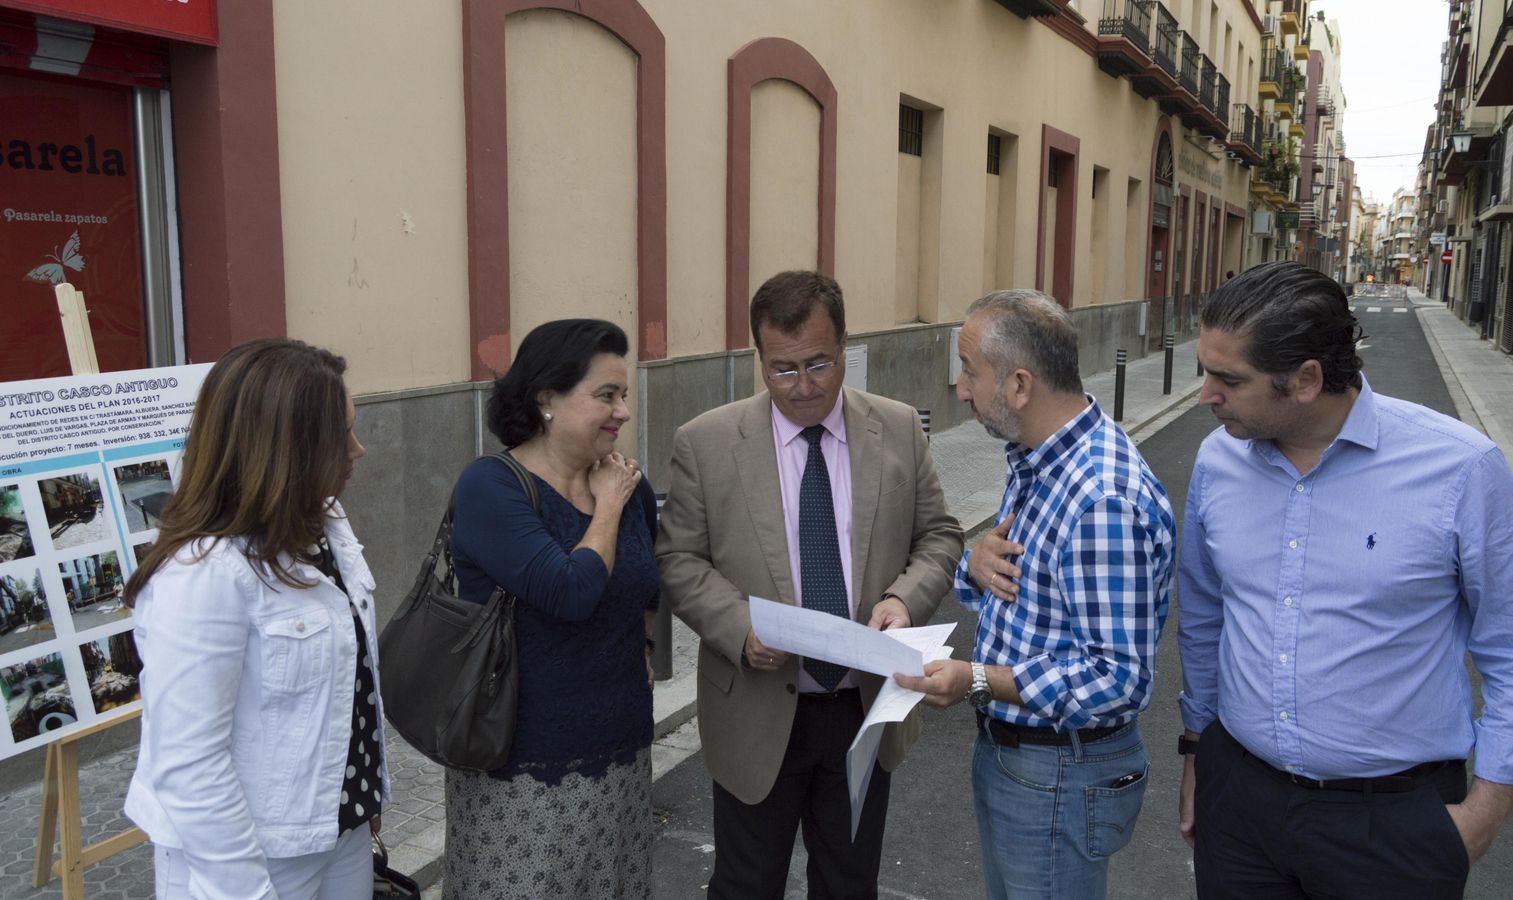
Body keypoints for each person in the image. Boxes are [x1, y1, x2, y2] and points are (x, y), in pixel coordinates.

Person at [1176, 262, 1513, 899]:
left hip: (1392, 824)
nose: (1206, 396)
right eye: (1205, 372)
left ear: (1306, 379)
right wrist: (1196, 753)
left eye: (1229, 379)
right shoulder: (1218, 459)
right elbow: (1203, 612)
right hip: (1239, 806)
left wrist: (1482, 815)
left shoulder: (1461, 468)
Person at [658, 270, 963, 899]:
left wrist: (904, 600)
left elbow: (939, 536)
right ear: (759, 359)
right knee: (746, 885)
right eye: (783, 369)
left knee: (849, 886)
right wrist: (739, 628)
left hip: (862, 709)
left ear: (846, 345)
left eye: (820, 364)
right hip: (756, 704)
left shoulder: (900, 427)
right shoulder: (706, 443)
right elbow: (680, 561)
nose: (803, 387)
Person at [897, 289, 1176, 900]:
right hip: (1029, 761)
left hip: (1058, 770)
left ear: (1020, 385)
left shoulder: (1099, 496)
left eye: (971, 372)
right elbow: (1031, 589)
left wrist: (975, 678)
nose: (961, 390)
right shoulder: (1040, 460)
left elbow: (1116, 678)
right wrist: (973, 566)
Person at [124, 338, 383, 899]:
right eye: (341, 434)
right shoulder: (204, 573)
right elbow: (190, 765)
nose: (358, 450)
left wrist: (364, 795)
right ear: (286, 449)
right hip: (249, 858)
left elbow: (351, 682)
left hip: (339, 829)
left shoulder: (324, 523)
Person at [443, 319, 657, 900]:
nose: (622, 412)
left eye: (624, 395)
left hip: (622, 749)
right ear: (547, 398)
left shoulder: (630, 486)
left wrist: (644, 647)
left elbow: (645, 585)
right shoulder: (492, 487)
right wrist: (606, 507)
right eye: (606, 395)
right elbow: (570, 592)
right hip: (521, 761)